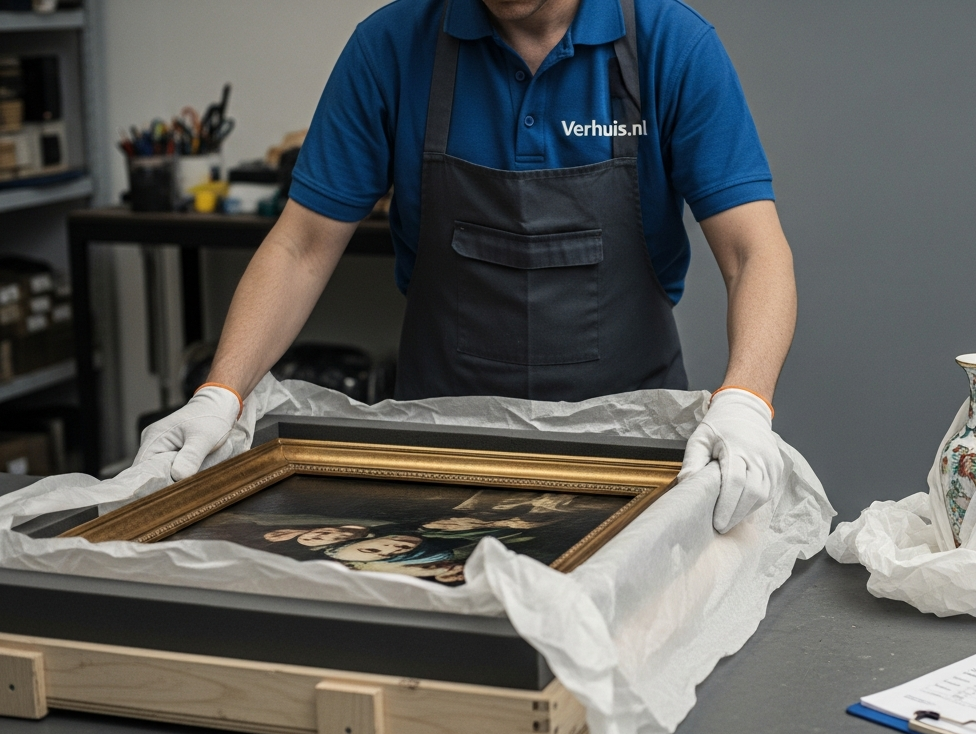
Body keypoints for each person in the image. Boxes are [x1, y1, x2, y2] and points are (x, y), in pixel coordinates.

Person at [134, 0, 796, 533]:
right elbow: (301, 245)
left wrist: (744, 400)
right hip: (439, 451)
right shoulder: (392, 46)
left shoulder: (671, 44)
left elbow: (753, 251)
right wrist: (220, 393)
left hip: (634, 452)